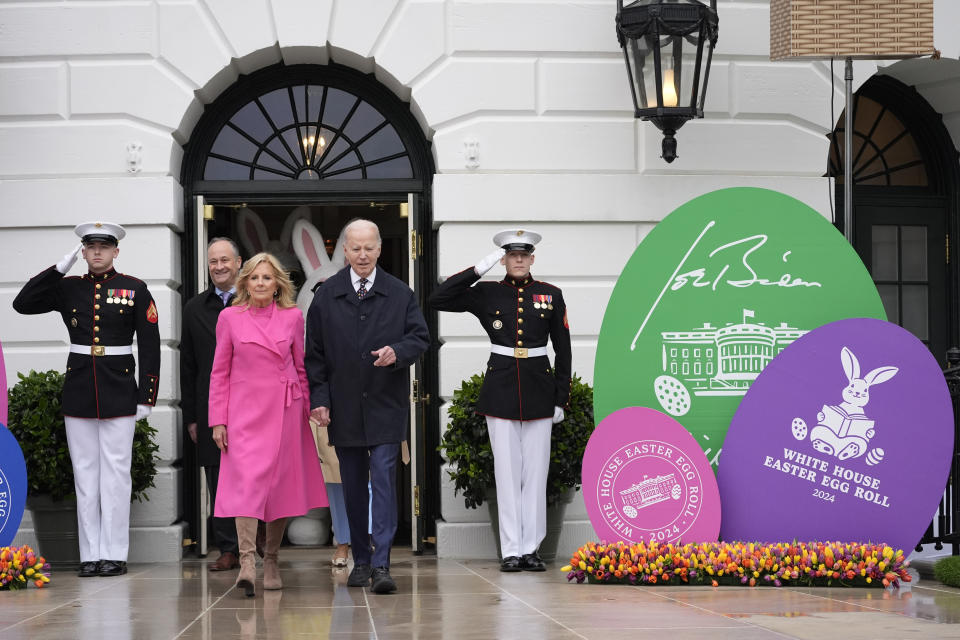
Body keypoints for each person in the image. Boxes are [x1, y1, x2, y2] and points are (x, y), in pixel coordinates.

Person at [12, 221, 161, 577]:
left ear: (115, 251)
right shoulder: (68, 287)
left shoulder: (134, 289)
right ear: (83, 251)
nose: (96, 252)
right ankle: (90, 554)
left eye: (103, 247)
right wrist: (59, 267)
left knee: (116, 474)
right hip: (80, 387)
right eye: (90, 247)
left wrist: (147, 394)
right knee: (85, 475)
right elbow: (22, 303)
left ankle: (114, 553)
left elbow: (151, 345)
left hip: (120, 388)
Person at [430, 229, 571, 572]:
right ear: (504, 259)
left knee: (535, 474)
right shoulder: (486, 293)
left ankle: (531, 549)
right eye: (512, 255)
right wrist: (480, 267)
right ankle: (511, 549)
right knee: (506, 473)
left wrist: (561, 399)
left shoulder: (550, 295)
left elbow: (563, 349)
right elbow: (439, 298)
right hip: (501, 388)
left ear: (532, 259)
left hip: (539, 388)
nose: (519, 260)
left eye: (524, 255)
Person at [305, 219, 429, 594]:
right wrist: (320, 402)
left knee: (386, 484)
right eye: (355, 248)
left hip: (386, 406)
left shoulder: (399, 293)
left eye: (369, 248)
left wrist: (398, 353)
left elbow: (419, 337)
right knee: (354, 487)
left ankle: (382, 564)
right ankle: (361, 559)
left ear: (379, 249)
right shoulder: (326, 296)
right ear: (344, 250)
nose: (362, 255)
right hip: (343, 408)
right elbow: (315, 357)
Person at [208, 252, 328, 597]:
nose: (260, 283)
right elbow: (219, 373)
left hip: (285, 411)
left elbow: (301, 367)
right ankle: (247, 561)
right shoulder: (229, 317)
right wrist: (218, 420)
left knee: (280, 488)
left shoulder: (292, 318)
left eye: (267, 277)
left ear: (278, 284)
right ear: (245, 283)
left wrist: (309, 409)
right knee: (246, 486)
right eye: (255, 277)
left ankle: (271, 559)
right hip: (243, 413)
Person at [180, 237, 244, 571]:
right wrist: (192, 416)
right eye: (213, 262)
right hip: (211, 405)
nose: (219, 267)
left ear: (238, 263)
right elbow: (187, 365)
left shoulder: (254, 302)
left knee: (253, 474)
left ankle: (257, 541)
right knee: (217, 479)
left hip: (251, 402)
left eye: (224, 260)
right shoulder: (194, 308)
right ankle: (229, 548)